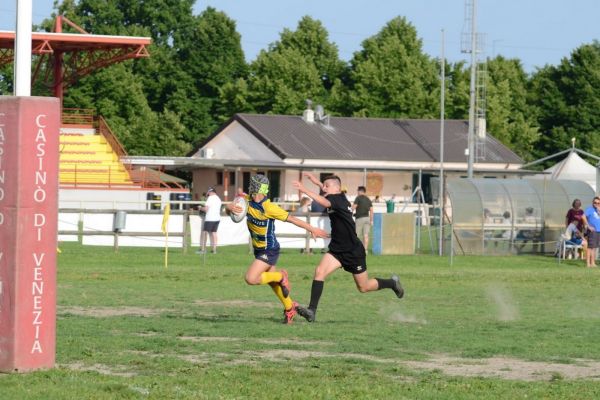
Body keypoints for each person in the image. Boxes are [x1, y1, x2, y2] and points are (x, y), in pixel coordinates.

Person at [292, 172, 404, 323]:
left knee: (363, 287)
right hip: (337, 250)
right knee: (319, 272)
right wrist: (316, 182)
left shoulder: (335, 199)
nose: (323, 188)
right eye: (323, 185)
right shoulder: (339, 196)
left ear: (336, 188)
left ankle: (392, 283)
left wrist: (304, 189)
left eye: (326, 186)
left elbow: (324, 201)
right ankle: (312, 310)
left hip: (353, 251)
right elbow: (328, 190)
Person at [227, 174, 329, 324]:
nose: (250, 188)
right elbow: (231, 208)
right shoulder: (246, 201)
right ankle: (290, 309)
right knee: (272, 282)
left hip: (269, 249)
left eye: (252, 185)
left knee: (251, 278)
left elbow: (293, 219)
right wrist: (228, 207)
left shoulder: (269, 207)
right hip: (259, 249)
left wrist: (312, 228)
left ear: (257, 188)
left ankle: (281, 276)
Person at [197, 187, 222, 254]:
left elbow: (206, 209)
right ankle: (214, 250)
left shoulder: (210, 198)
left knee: (205, 233)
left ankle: (203, 249)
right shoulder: (218, 199)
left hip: (210, 218)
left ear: (211, 192)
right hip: (217, 218)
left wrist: (200, 208)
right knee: (214, 233)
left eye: (208, 193)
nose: (208, 194)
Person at [352, 186, 373, 252]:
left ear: (360, 191)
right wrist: (371, 220)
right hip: (367, 218)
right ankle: (365, 250)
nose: (357, 192)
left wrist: (350, 210)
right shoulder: (368, 199)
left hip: (359, 219)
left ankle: (357, 249)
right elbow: (371, 210)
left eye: (357, 191)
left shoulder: (358, 198)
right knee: (366, 235)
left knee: (357, 235)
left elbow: (354, 207)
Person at [584, 197, 600, 268]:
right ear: (592, 202)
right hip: (592, 231)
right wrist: (588, 226)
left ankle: (593, 263)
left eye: (598, 203)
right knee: (590, 247)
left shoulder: (598, 210)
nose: (596, 204)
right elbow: (583, 217)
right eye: (595, 202)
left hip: (598, 231)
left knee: (594, 247)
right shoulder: (589, 209)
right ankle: (588, 263)